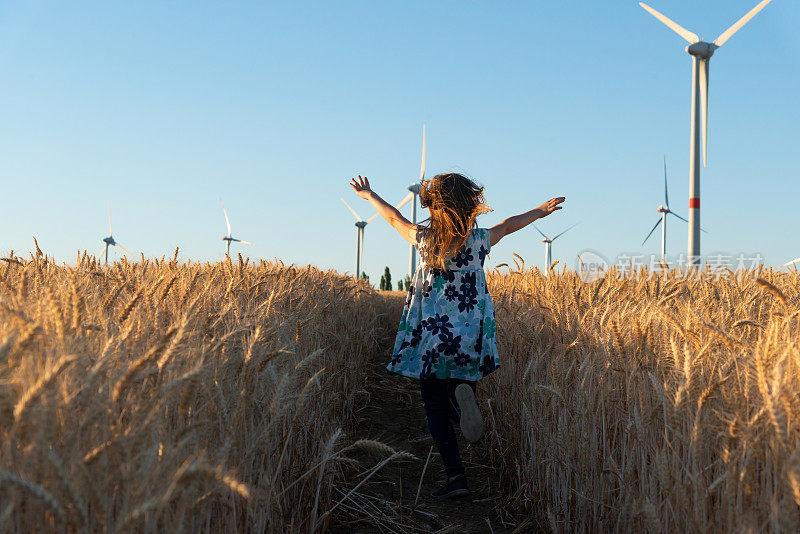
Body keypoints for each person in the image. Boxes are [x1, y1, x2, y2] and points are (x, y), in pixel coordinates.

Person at [349, 172, 565, 498]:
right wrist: (539, 211)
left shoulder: (424, 239)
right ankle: (462, 401)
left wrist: (370, 196)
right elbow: (507, 225)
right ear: (469, 205)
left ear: (433, 206)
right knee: (460, 389)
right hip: (469, 334)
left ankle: (456, 477)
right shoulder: (478, 240)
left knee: (433, 405)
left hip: (434, 337)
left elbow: (395, 218)